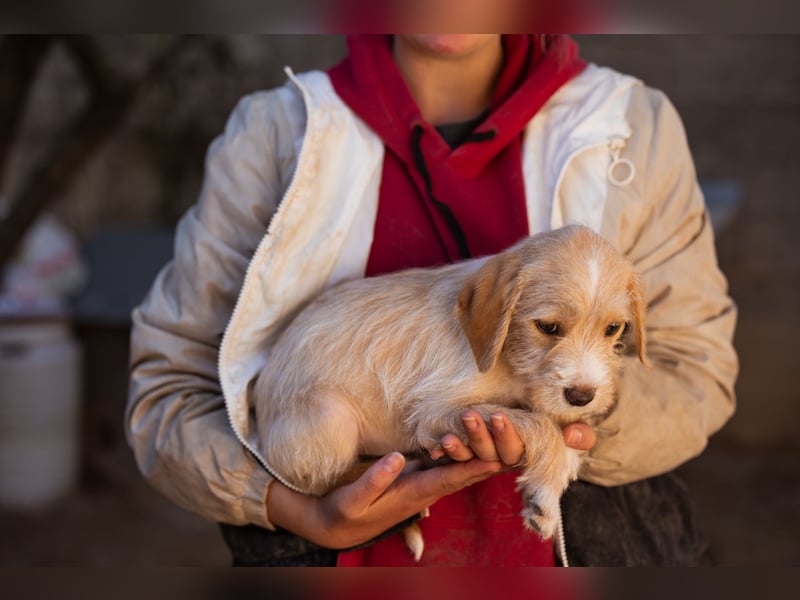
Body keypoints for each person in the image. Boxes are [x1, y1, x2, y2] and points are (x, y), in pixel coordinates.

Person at [126, 34, 738, 566]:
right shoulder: (274, 133)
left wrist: (577, 426)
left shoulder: (635, 124)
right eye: (550, 326)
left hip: (601, 546)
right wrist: (294, 509)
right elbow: (168, 390)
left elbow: (696, 375)